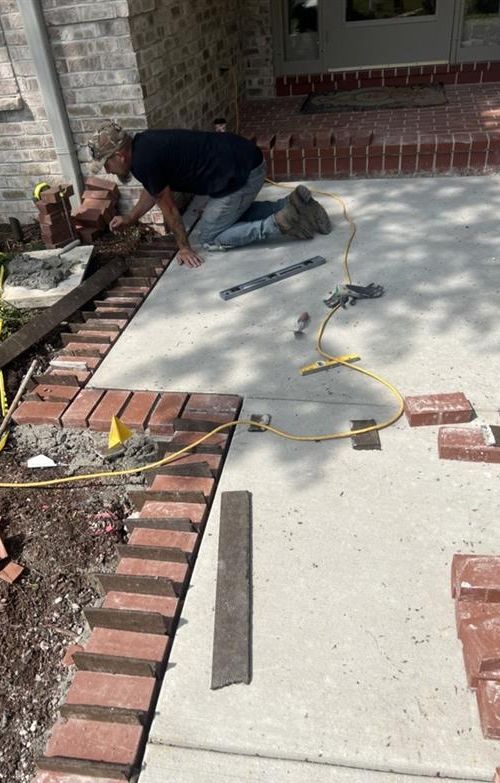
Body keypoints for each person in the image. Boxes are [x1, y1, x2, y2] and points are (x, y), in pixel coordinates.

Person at [88, 120, 332, 269]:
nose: (108, 170)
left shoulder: (143, 161)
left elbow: (169, 208)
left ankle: (276, 224)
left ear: (120, 155)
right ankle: (293, 204)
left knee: (210, 236)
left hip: (243, 173)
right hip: (243, 159)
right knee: (224, 217)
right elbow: (153, 191)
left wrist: (183, 247)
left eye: (106, 164)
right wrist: (131, 218)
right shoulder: (144, 146)